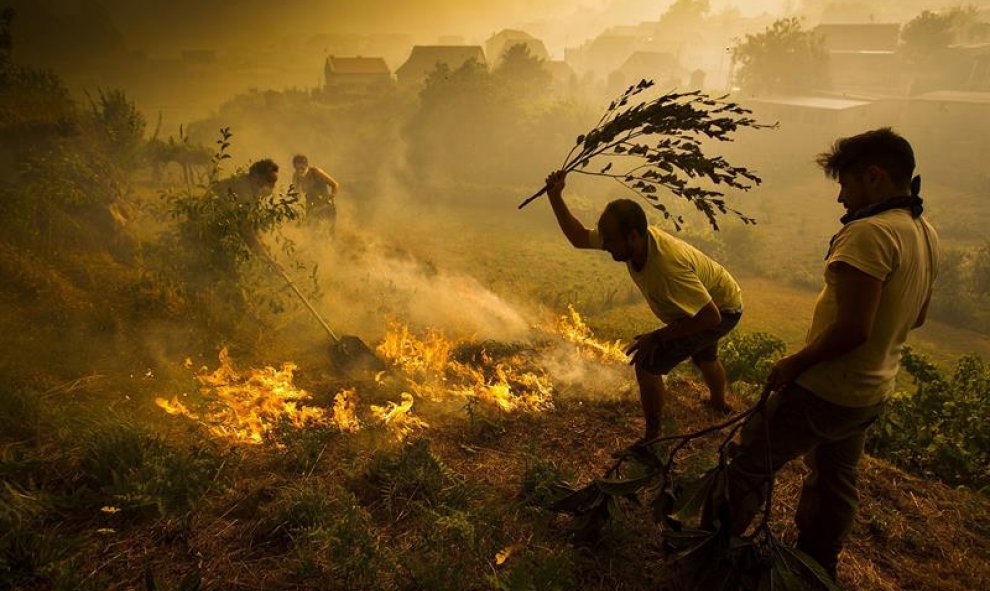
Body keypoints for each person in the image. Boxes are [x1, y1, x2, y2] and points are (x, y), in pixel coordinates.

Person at [713, 128, 940, 580]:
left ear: (874, 178)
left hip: (827, 388)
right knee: (835, 480)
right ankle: (816, 568)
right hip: (870, 391)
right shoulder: (924, 231)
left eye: (845, 183)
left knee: (751, 462)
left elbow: (854, 329)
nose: (840, 198)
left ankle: (711, 555)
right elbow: (916, 317)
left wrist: (795, 363)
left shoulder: (869, 234)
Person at [544, 169, 744, 443]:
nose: (606, 246)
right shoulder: (631, 242)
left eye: (611, 241)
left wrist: (658, 336)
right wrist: (555, 197)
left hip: (720, 309)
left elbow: (711, 318)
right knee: (704, 356)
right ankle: (719, 404)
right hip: (709, 298)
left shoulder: (666, 267)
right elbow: (579, 237)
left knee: (648, 364)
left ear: (634, 236)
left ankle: (651, 438)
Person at [211, 158, 280, 254]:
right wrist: (267, 260)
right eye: (268, 180)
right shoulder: (245, 193)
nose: (272, 186)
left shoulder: (250, 185)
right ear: (256, 176)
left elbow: (252, 227)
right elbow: (246, 230)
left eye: (273, 181)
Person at [291, 154, 340, 235]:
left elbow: (335, 185)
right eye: (297, 168)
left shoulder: (316, 172)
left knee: (329, 233)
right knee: (311, 233)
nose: (300, 170)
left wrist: (331, 196)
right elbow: (296, 194)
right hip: (311, 207)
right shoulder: (296, 176)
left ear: (307, 166)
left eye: (302, 168)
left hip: (325, 206)